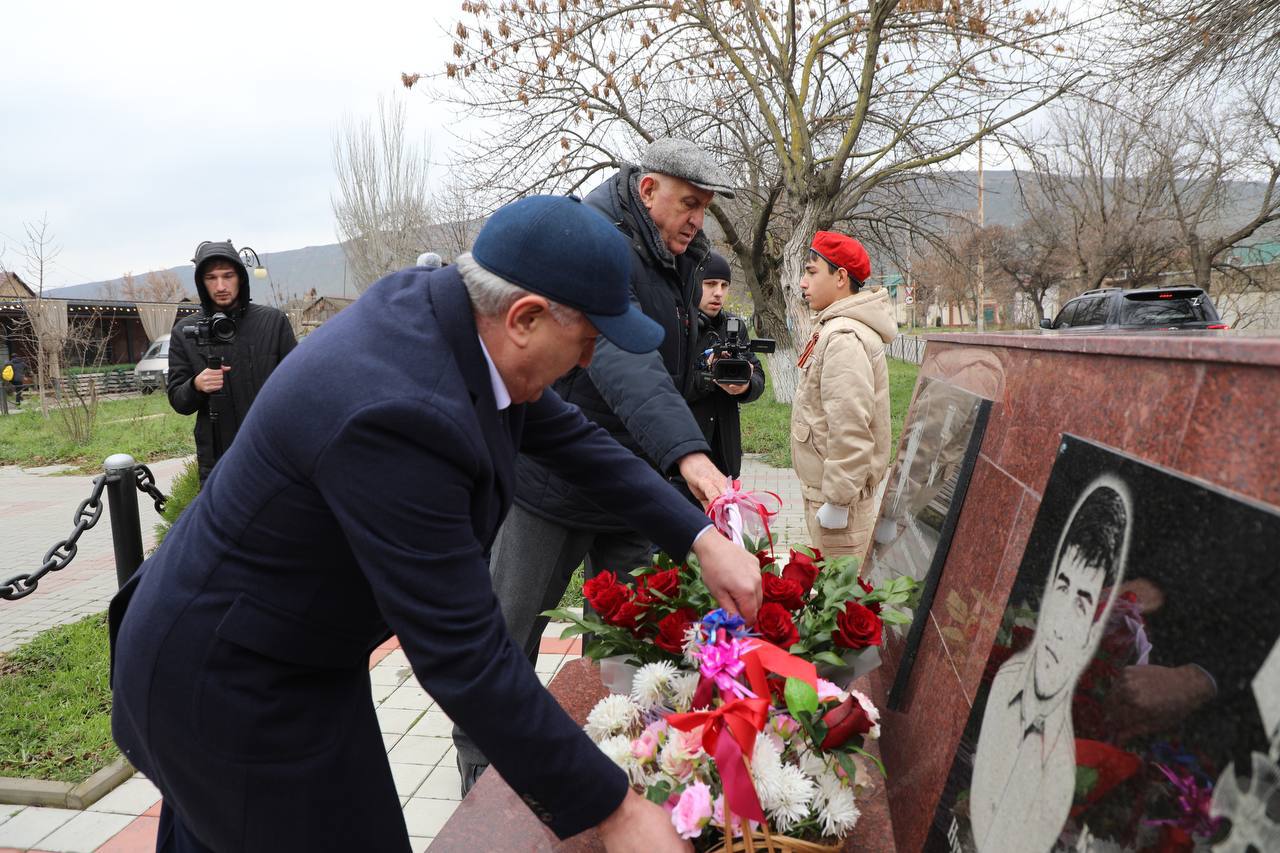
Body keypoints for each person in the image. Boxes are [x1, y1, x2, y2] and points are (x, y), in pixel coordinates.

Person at [109, 195, 762, 853]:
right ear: (526, 317)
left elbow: (575, 439)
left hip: (295, 651)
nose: (589, 362)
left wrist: (699, 536)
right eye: (588, 340)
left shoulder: (455, 319)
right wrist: (616, 809)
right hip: (226, 683)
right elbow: (465, 656)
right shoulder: (398, 415)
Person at [455, 138, 740, 792]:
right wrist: (691, 458)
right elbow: (623, 362)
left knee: (628, 652)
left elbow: (665, 363)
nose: (697, 219)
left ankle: (617, 771)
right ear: (648, 190)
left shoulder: (682, 259)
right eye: (688, 203)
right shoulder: (592, 243)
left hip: (628, 490)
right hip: (550, 490)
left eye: (706, 208)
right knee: (508, 633)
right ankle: (479, 782)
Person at [969, 479, 1131, 853]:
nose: (1058, 623)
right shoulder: (1006, 683)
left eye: (1082, 602)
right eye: (1062, 587)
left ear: (1093, 635)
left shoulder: (1060, 774)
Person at [791, 231, 897, 558]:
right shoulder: (835, 329)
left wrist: (837, 501)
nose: (803, 283)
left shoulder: (844, 338)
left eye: (811, 272)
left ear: (840, 277)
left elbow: (850, 427)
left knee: (841, 602)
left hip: (840, 510)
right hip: (830, 499)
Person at [167, 240, 297, 484]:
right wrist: (196, 385)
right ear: (201, 282)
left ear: (240, 277)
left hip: (273, 453)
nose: (221, 286)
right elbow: (178, 400)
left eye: (228, 276)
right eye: (211, 278)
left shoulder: (273, 322)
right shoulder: (186, 331)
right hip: (217, 459)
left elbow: (299, 389)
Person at [682, 251, 765, 489]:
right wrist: (709, 378)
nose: (718, 292)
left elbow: (758, 374)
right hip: (685, 456)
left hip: (725, 459)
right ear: (693, 283)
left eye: (724, 285)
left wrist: (746, 385)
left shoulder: (734, 326)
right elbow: (668, 385)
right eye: (709, 284)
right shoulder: (678, 326)